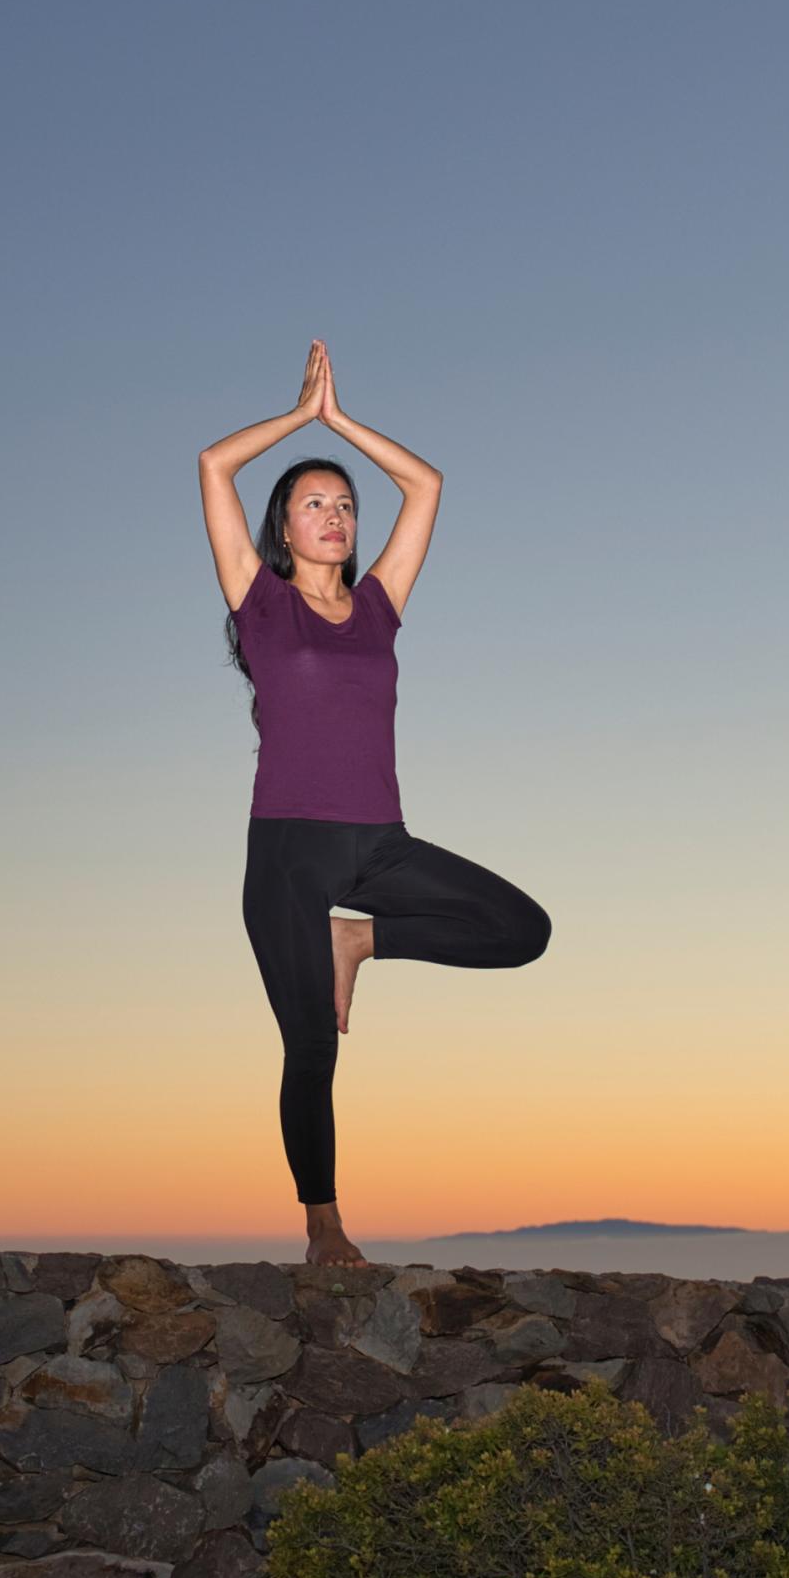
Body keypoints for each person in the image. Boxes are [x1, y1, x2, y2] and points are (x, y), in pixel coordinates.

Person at [198, 341, 552, 1269]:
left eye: (347, 503)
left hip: (380, 846)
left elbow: (427, 484)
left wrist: (344, 422)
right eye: (315, 502)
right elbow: (213, 465)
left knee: (522, 929)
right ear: (283, 524)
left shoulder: (382, 607)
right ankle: (324, 1225)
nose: (337, 515)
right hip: (288, 852)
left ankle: (359, 940)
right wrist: (299, 417)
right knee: (312, 1047)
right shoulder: (259, 604)